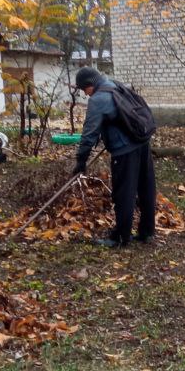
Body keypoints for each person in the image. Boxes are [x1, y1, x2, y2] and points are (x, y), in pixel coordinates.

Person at [73, 67, 156, 248]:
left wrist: (81, 160)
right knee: (146, 188)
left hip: (124, 151)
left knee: (123, 193)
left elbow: (89, 134)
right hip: (142, 143)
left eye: (84, 89)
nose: (85, 94)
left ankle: (120, 238)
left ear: (90, 84)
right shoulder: (115, 85)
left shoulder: (98, 99)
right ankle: (147, 232)